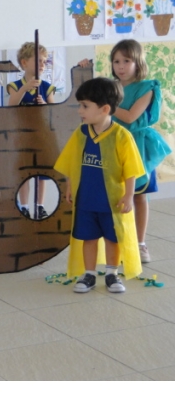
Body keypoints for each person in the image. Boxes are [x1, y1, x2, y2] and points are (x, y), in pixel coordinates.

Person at [54, 77, 145, 294]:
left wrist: (128, 195)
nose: (80, 111)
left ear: (104, 109)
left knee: (113, 238)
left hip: (111, 202)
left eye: (85, 106)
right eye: (80, 105)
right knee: (89, 237)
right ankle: (89, 274)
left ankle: (112, 273)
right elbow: (72, 161)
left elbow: (131, 169)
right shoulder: (81, 133)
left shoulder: (121, 136)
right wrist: (70, 186)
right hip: (86, 199)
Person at [109, 40, 172, 264]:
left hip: (139, 146)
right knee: (117, 193)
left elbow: (130, 117)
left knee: (139, 194)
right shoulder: (111, 87)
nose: (121, 66)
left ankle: (140, 243)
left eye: (126, 60)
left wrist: (105, 104)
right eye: (116, 61)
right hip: (115, 143)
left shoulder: (147, 87)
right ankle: (119, 240)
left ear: (138, 62)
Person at [8, 42, 56, 219]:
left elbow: (53, 112)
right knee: (24, 172)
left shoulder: (46, 87)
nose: (42, 64)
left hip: (41, 135)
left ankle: (40, 205)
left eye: (44, 61)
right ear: (24, 62)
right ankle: (24, 205)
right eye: (38, 61)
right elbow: (11, 104)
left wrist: (44, 106)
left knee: (42, 173)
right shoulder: (15, 86)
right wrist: (25, 88)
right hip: (22, 136)